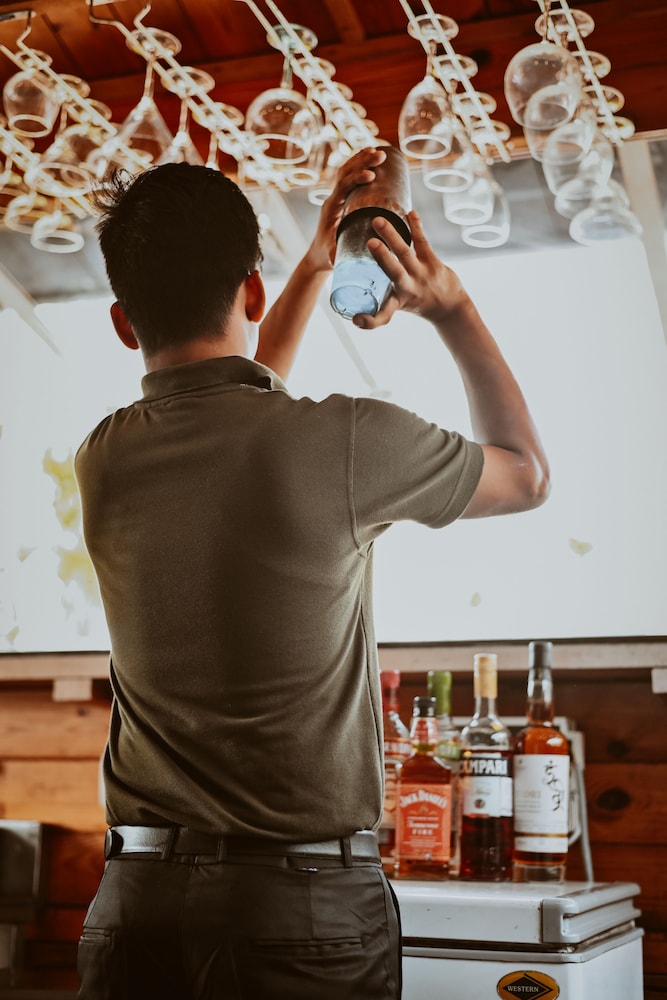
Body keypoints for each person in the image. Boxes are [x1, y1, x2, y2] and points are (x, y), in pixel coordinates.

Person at [74, 147, 549, 1000]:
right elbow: (525, 474)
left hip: (134, 906)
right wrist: (450, 306)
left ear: (121, 321)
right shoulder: (346, 440)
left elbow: (239, 406)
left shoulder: (104, 456)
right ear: (250, 293)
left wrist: (314, 261)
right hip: (297, 914)